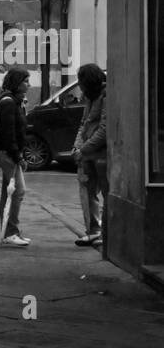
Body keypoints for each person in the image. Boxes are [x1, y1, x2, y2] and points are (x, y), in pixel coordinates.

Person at [72, 63, 108, 248]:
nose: (79, 85)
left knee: (107, 193)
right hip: (87, 154)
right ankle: (93, 231)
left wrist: (83, 149)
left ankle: (105, 232)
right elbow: (84, 123)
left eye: (81, 81)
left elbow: (104, 129)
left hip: (101, 154)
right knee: (87, 193)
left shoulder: (106, 95)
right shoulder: (90, 97)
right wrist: (77, 146)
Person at [0, 68, 31, 246]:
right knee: (17, 191)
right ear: (17, 83)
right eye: (25, 81)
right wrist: (18, 157)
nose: (28, 85)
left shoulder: (15, 102)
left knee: (9, 191)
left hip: (8, 153)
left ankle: (9, 231)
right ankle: (10, 232)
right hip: (7, 154)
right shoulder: (8, 103)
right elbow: (9, 135)